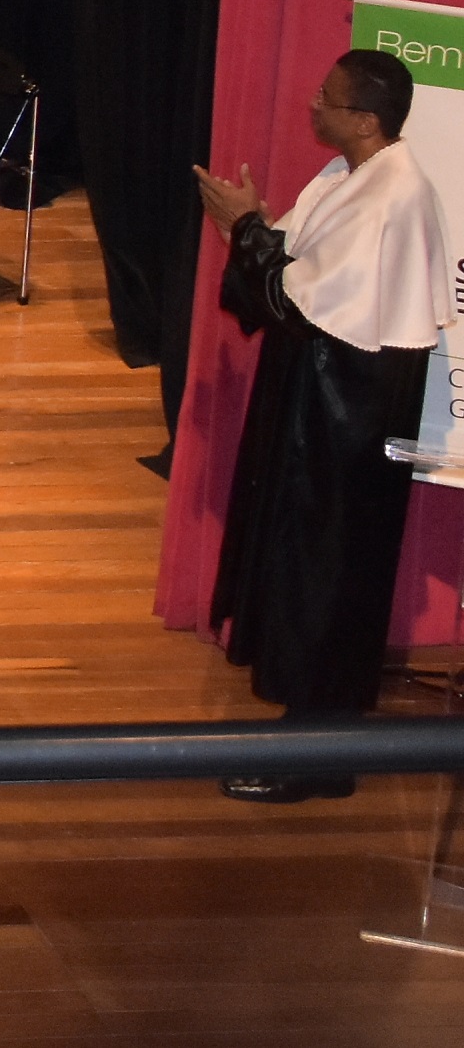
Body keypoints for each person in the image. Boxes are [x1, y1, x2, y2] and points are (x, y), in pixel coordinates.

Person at [197, 51, 454, 799]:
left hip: (346, 425)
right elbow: (301, 278)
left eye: (329, 99)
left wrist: (243, 226)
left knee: (328, 576)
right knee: (308, 571)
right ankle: (306, 728)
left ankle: (320, 757)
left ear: (366, 121)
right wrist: (251, 229)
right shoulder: (351, 176)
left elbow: (295, 302)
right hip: (323, 410)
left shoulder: (393, 195)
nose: (314, 103)